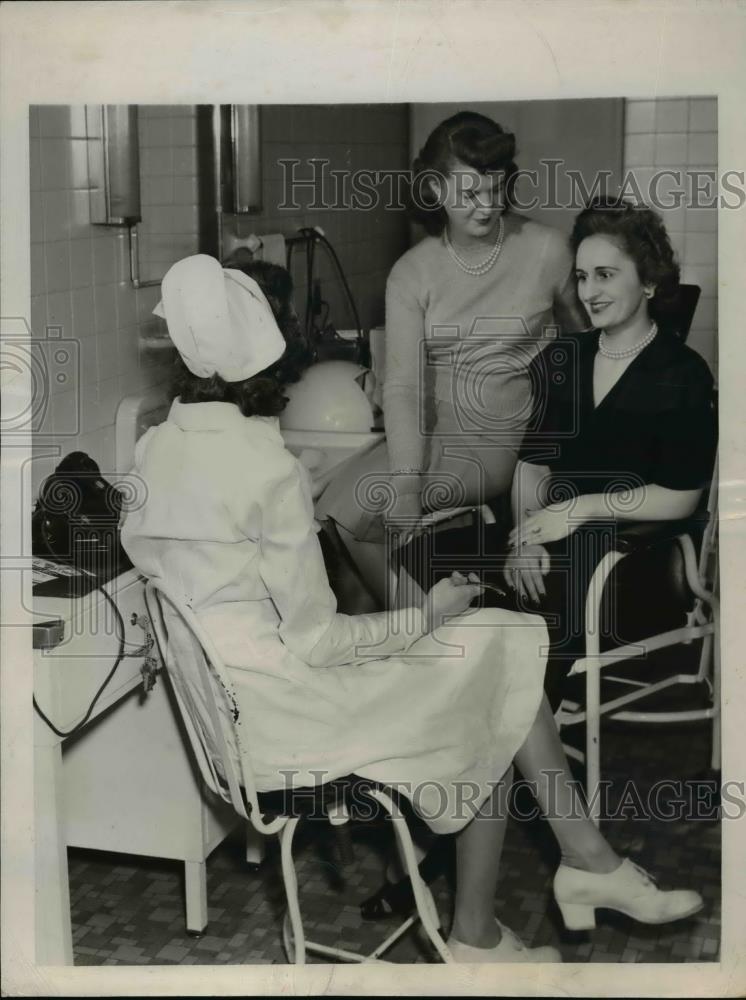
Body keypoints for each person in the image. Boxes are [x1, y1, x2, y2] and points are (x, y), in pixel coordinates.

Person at [122, 254, 703, 964]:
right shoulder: (263, 467)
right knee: (497, 671)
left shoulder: (150, 454)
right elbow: (318, 640)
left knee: (500, 638)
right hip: (293, 719)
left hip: (232, 721)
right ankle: (500, 920)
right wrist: (424, 615)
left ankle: (577, 868)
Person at [398, 197, 718, 711]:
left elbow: (681, 497)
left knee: (545, 600)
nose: (589, 292)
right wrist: (526, 535)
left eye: (606, 275)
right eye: (583, 276)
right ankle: (441, 707)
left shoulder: (681, 373)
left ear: (651, 282)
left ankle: (520, 754)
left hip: (632, 553)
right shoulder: (563, 359)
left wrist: (577, 509)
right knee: (418, 556)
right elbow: (532, 463)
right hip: (547, 532)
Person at [315, 111, 587, 607]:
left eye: (496, 189)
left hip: (505, 439)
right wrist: (405, 485)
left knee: (352, 510)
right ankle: (421, 635)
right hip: (433, 432)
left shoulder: (547, 249)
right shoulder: (411, 274)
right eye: (469, 194)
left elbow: (585, 350)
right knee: (331, 513)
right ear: (435, 190)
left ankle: (421, 641)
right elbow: (403, 387)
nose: (487, 206)